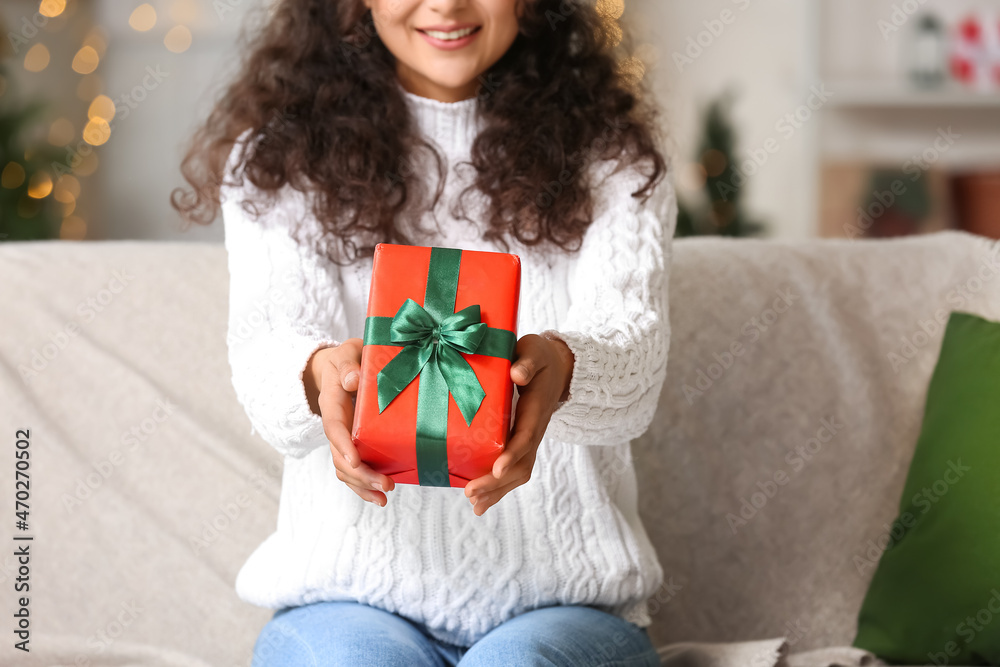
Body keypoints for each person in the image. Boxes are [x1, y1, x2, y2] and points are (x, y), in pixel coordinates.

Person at [171, 0, 677, 664]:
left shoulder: (613, 159)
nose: (445, 4)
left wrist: (563, 367)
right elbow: (269, 356)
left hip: (567, 606)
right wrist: (318, 374)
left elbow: (634, 368)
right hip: (347, 602)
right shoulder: (277, 158)